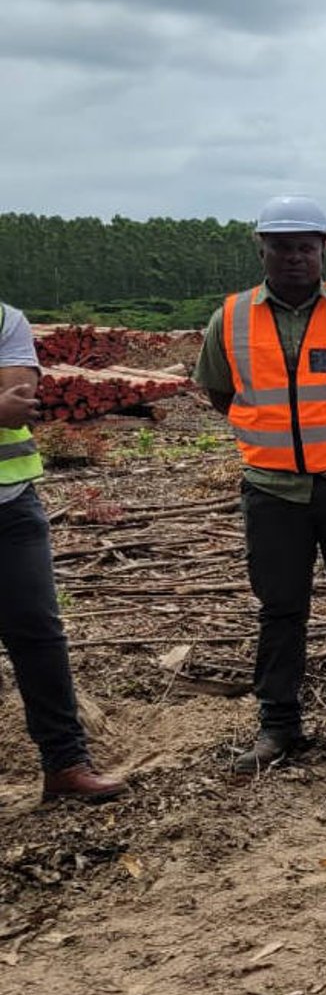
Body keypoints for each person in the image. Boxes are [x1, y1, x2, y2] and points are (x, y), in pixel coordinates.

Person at [196, 196, 326, 772]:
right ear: (261, 249)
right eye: (282, 247)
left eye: (305, 247)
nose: (294, 257)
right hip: (271, 488)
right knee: (280, 609)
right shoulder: (230, 318)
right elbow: (219, 392)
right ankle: (278, 726)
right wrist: (275, 438)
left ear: (324, 249)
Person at [0, 304, 128, 803]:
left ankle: (65, 764)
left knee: (38, 634)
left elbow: (18, 397)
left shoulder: (5, 319)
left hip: (10, 504)